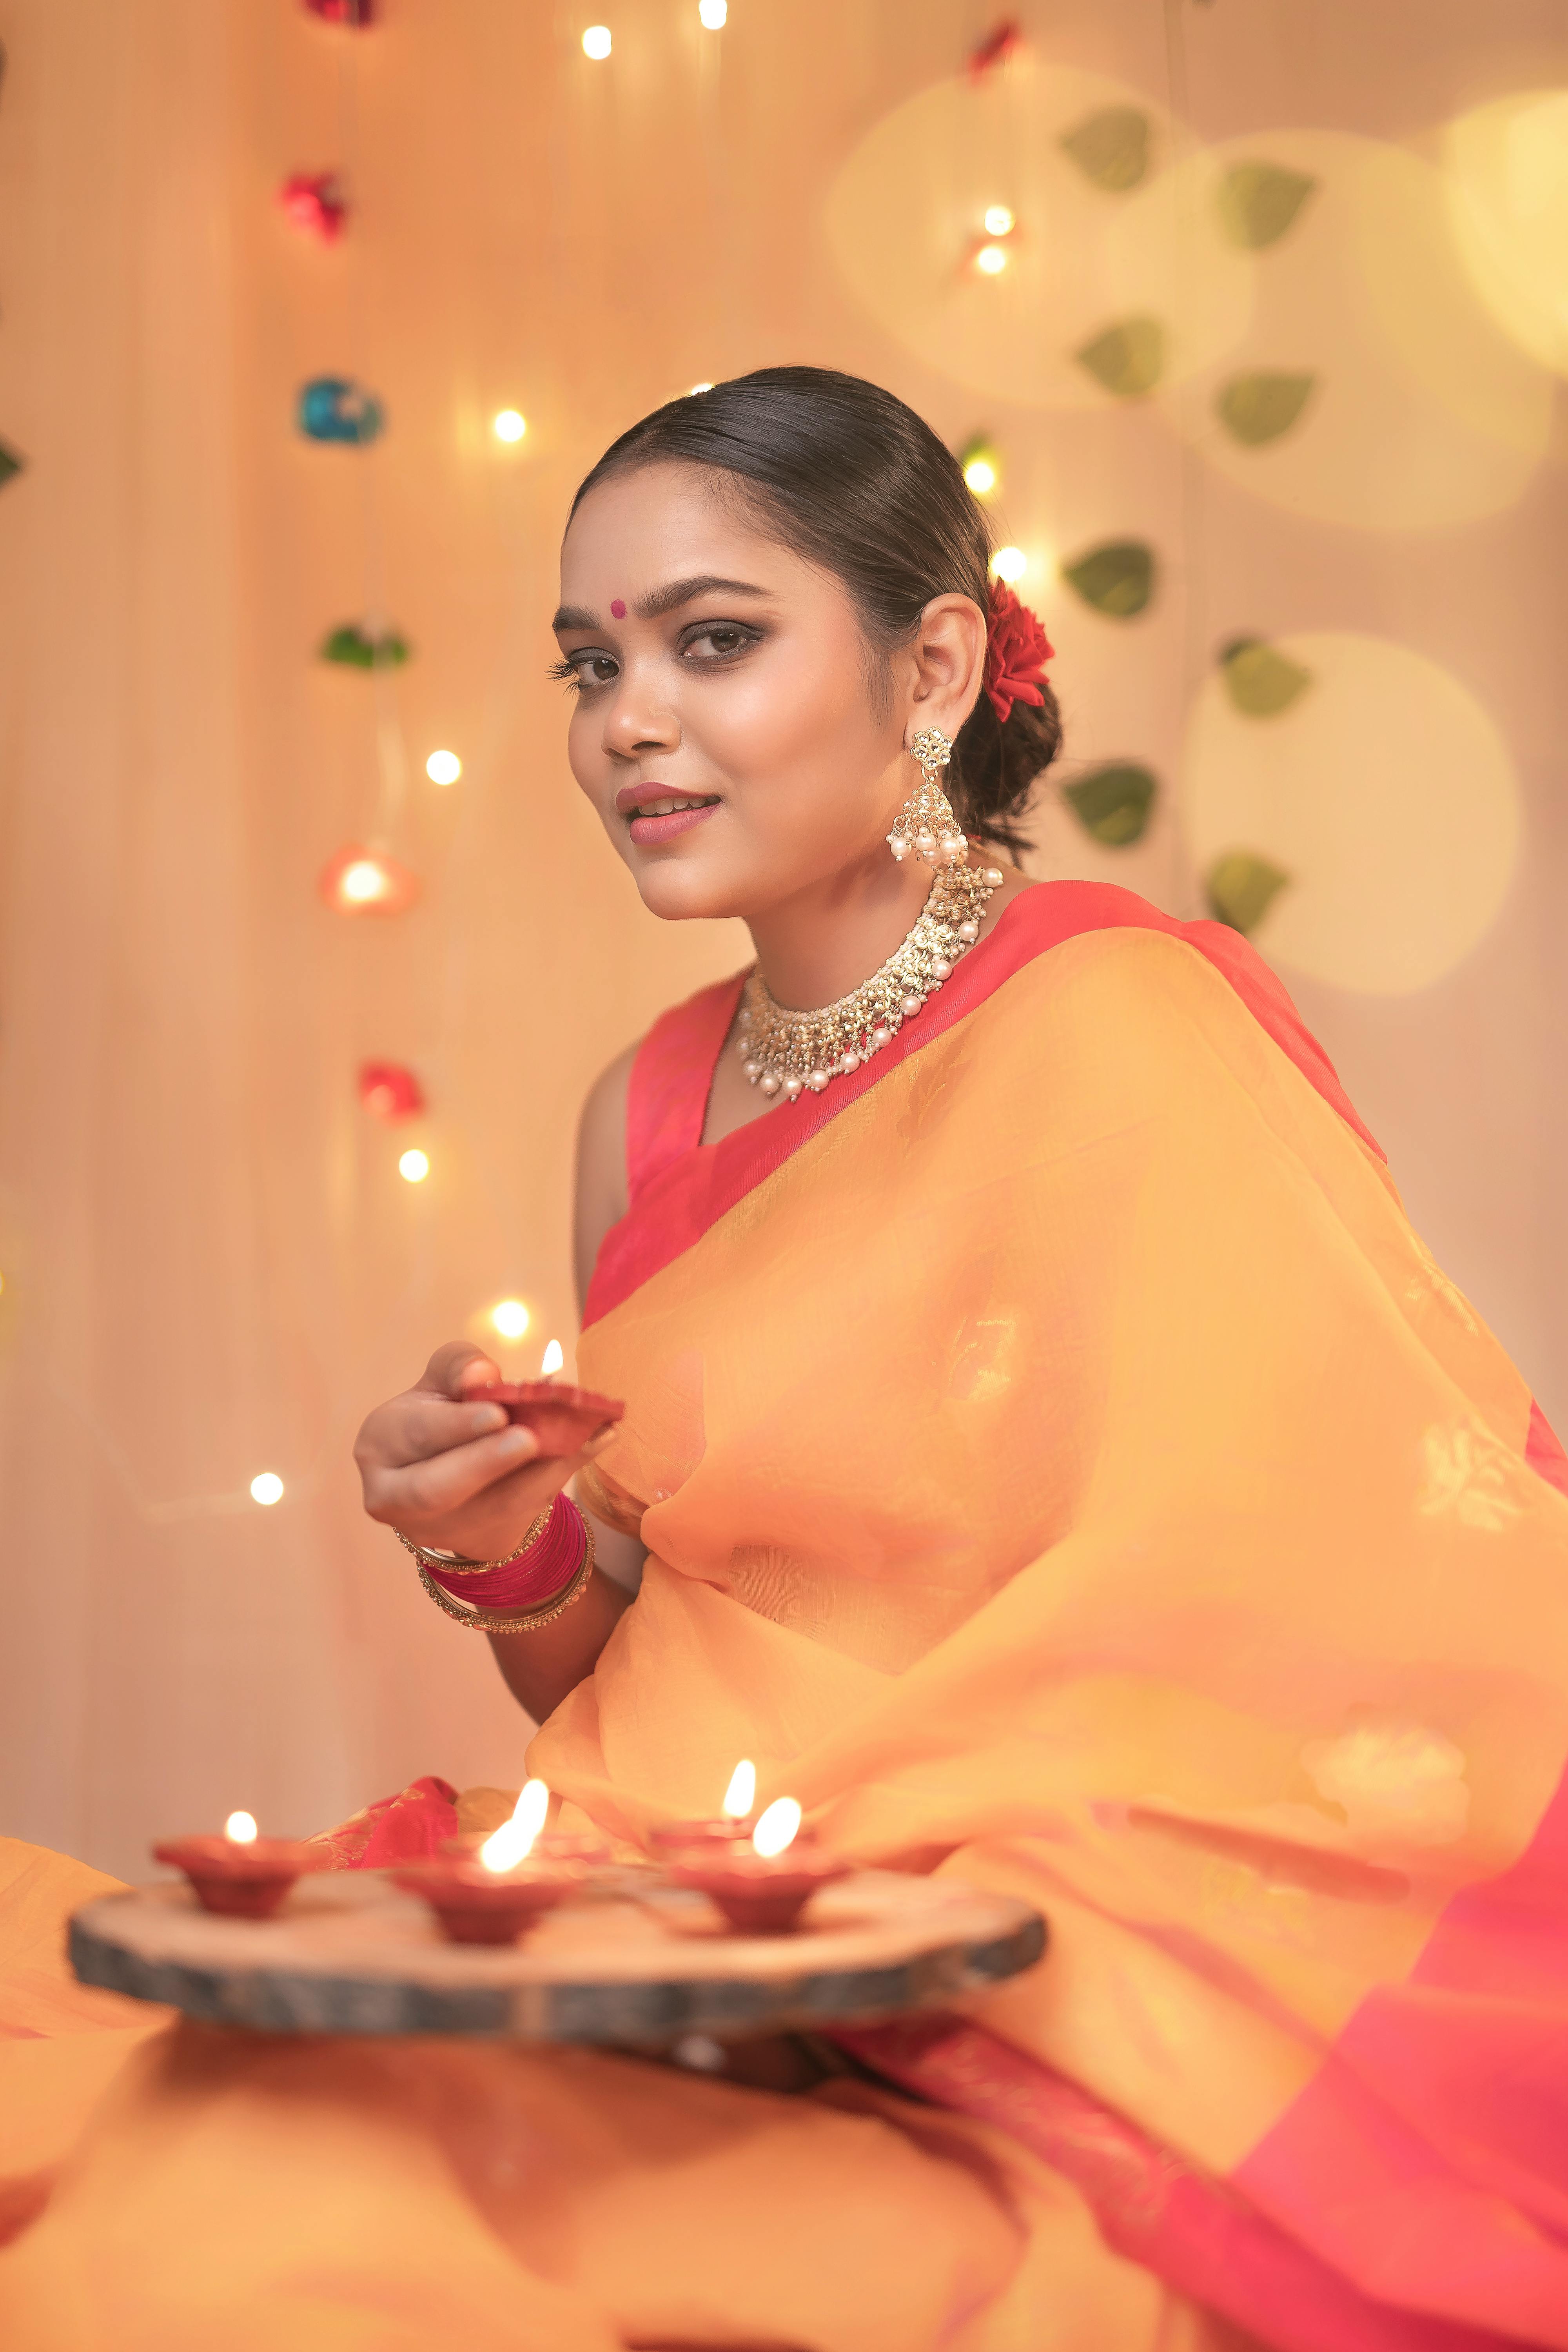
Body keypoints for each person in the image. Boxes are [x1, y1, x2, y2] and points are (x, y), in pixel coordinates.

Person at [4, 367, 1568, 2351]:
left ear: (929, 671)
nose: (626, 724)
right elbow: (654, 1657)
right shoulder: (636, 1109)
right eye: (590, 664)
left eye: (713, 642)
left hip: (1020, 1940)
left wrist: (881, 1864)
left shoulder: (1120, 1024)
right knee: (206, 2140)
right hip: (683, 1891)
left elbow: (1301, 1609)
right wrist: (502, 1544)